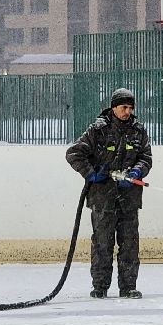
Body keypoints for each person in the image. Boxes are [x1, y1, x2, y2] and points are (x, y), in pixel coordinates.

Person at [65, 86, 153, 299]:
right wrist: (91, 173)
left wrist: (137, 170)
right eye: (124, 107)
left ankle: (128, 286)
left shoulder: (138, 131)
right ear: (113, 108)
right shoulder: (98, 130)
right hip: (102, 197)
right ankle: (100, 286)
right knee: (103, 242)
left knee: (129, 243)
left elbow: (146, 157)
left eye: (130, 108)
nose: (127, 112)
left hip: (129, 198)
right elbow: (74, 153)